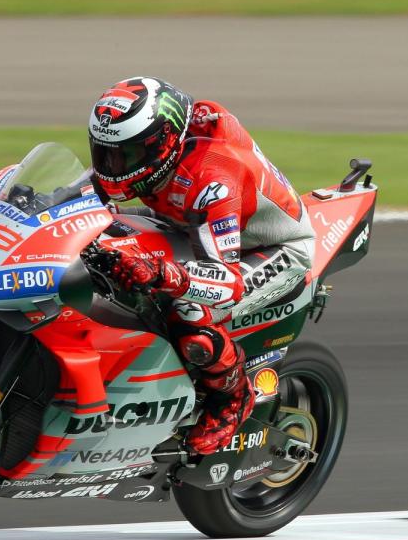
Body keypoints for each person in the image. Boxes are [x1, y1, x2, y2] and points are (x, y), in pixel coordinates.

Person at [88, 76, 316, 455]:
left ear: (162, 145)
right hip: (190, 224)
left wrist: (164, 273)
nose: (112, 166)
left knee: (189, 309)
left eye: (125, 156)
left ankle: (232, 399)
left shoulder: (213, 179)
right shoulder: (160, 155)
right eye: (105, 153)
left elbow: (226, 282)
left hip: (268, 247)